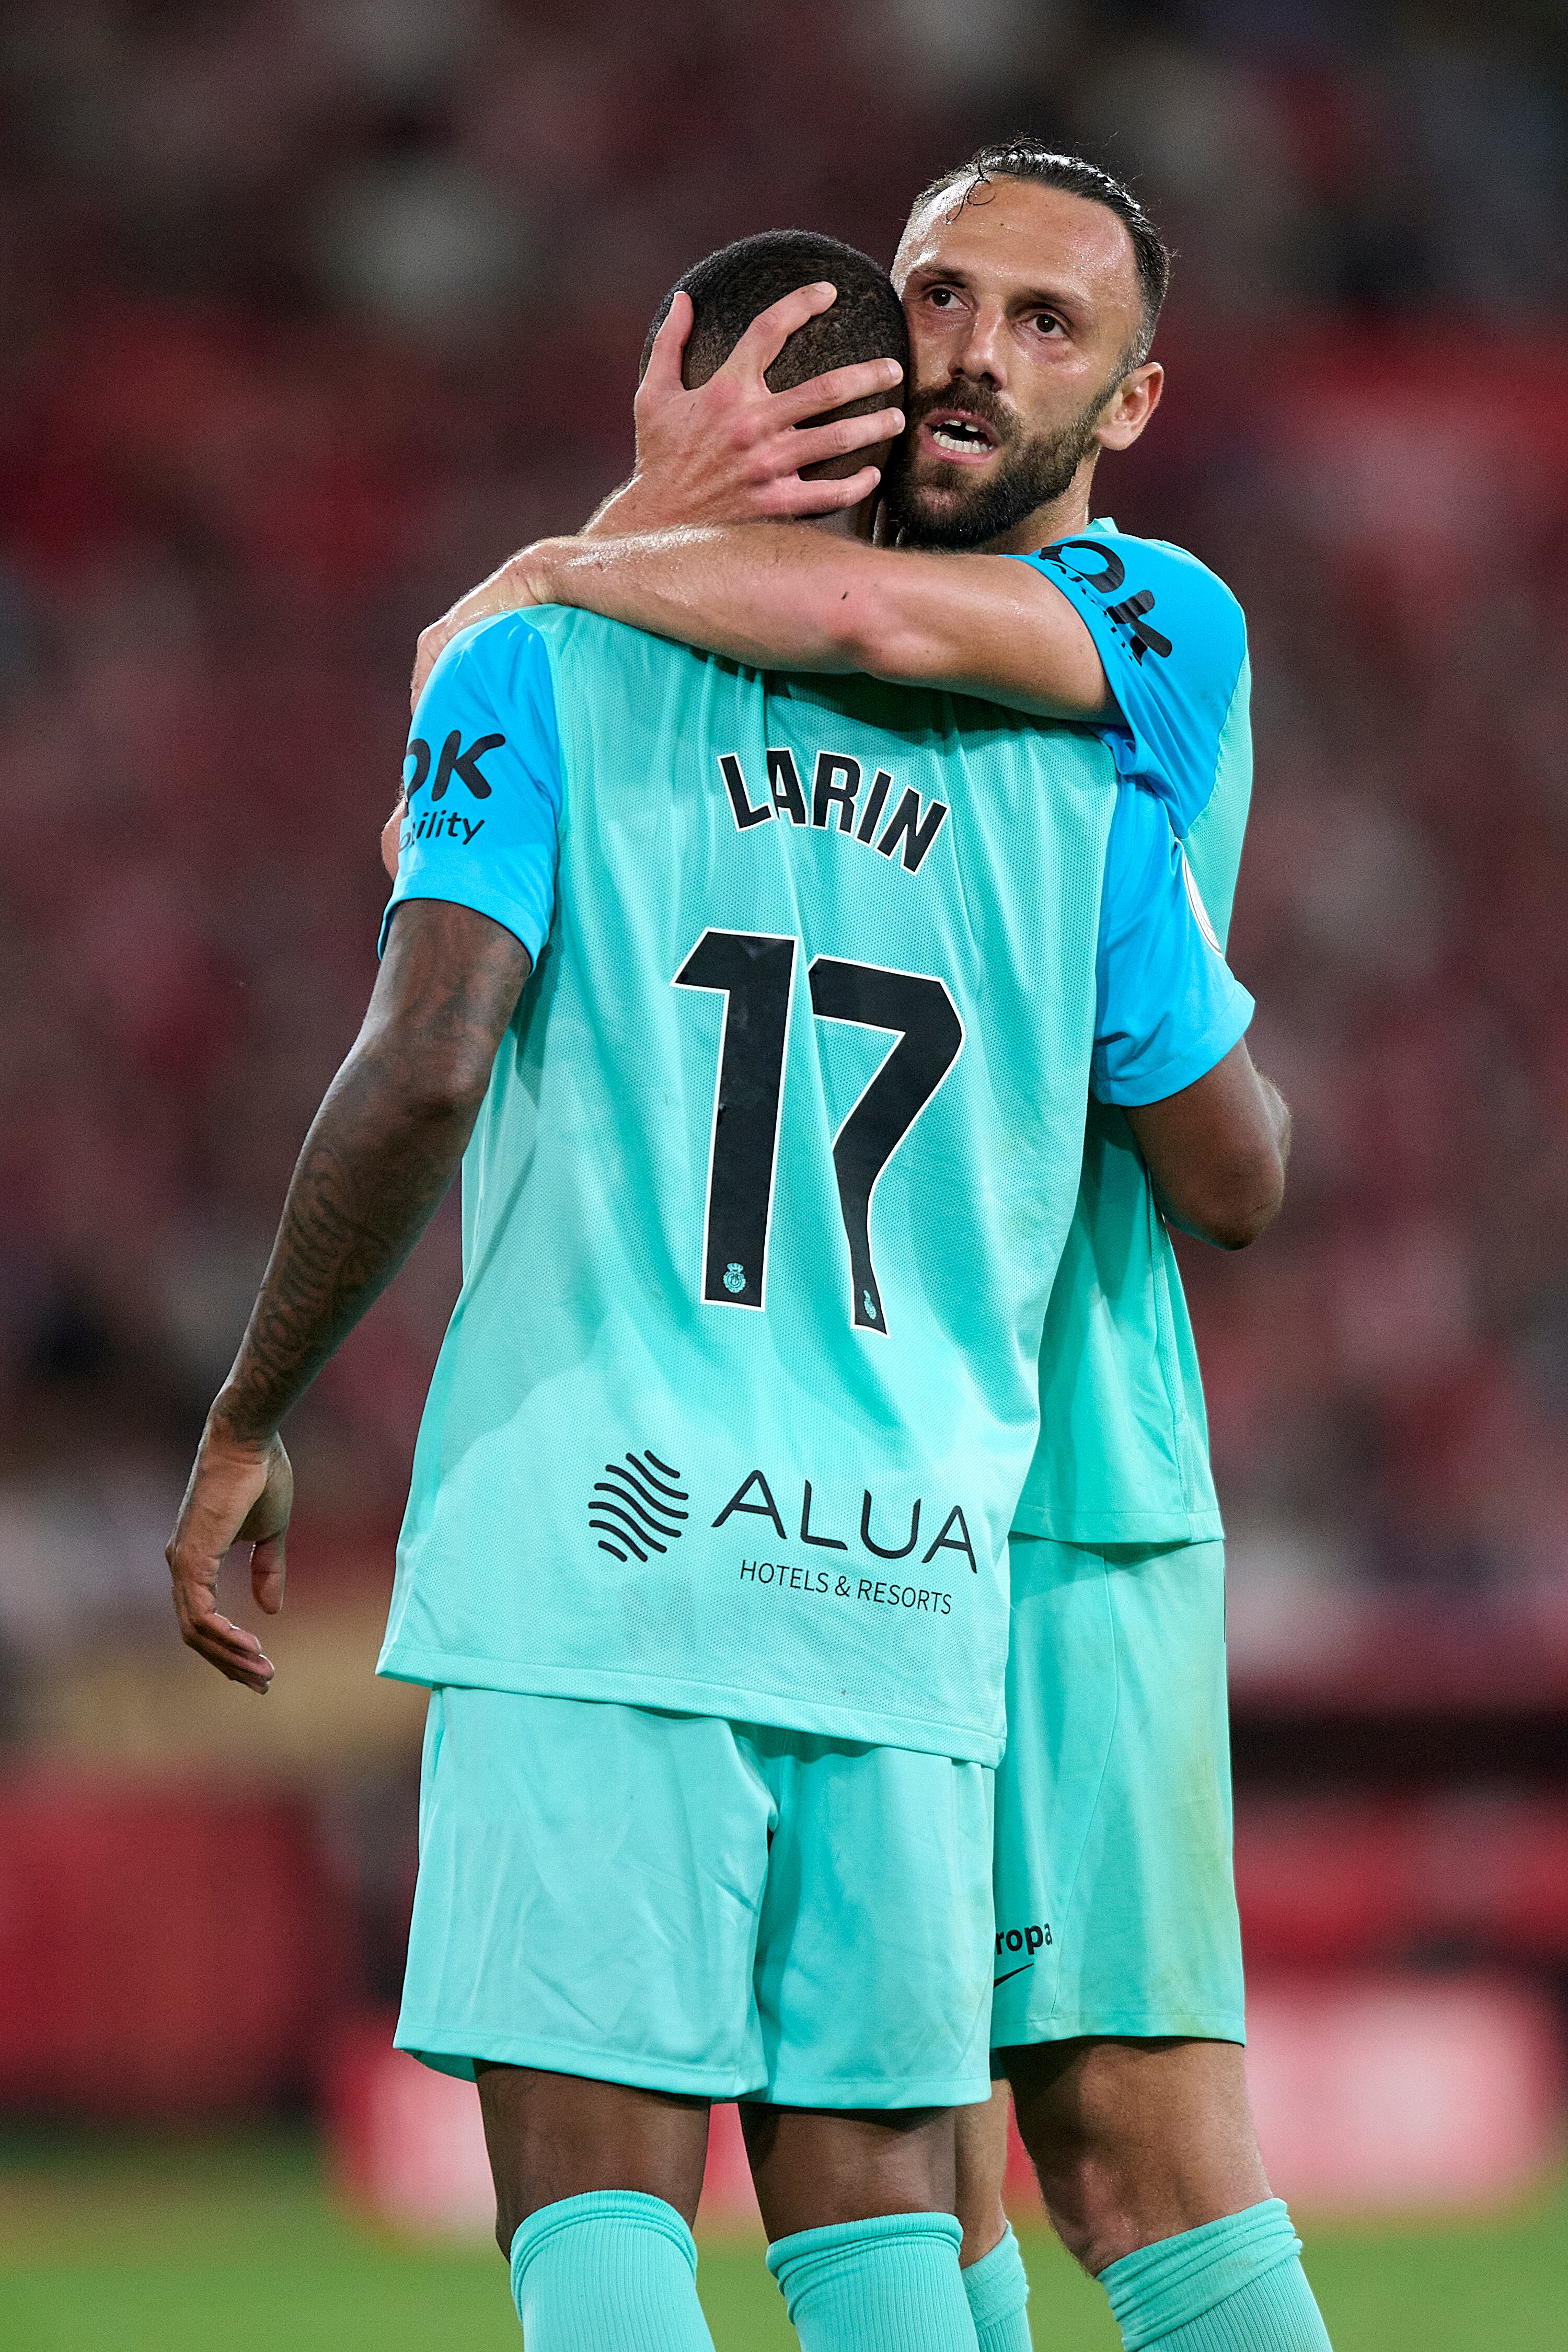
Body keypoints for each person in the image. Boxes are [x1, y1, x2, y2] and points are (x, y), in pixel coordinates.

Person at [167, 229, 1276, 2352]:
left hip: (608, 1546)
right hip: (911, 1575)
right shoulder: (1081, 774)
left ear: (676, 381)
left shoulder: (528, 664)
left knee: (604, 2225)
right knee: (885, 2225)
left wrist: (247, 1414)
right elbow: (1231, 1161)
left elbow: (423, 1066)